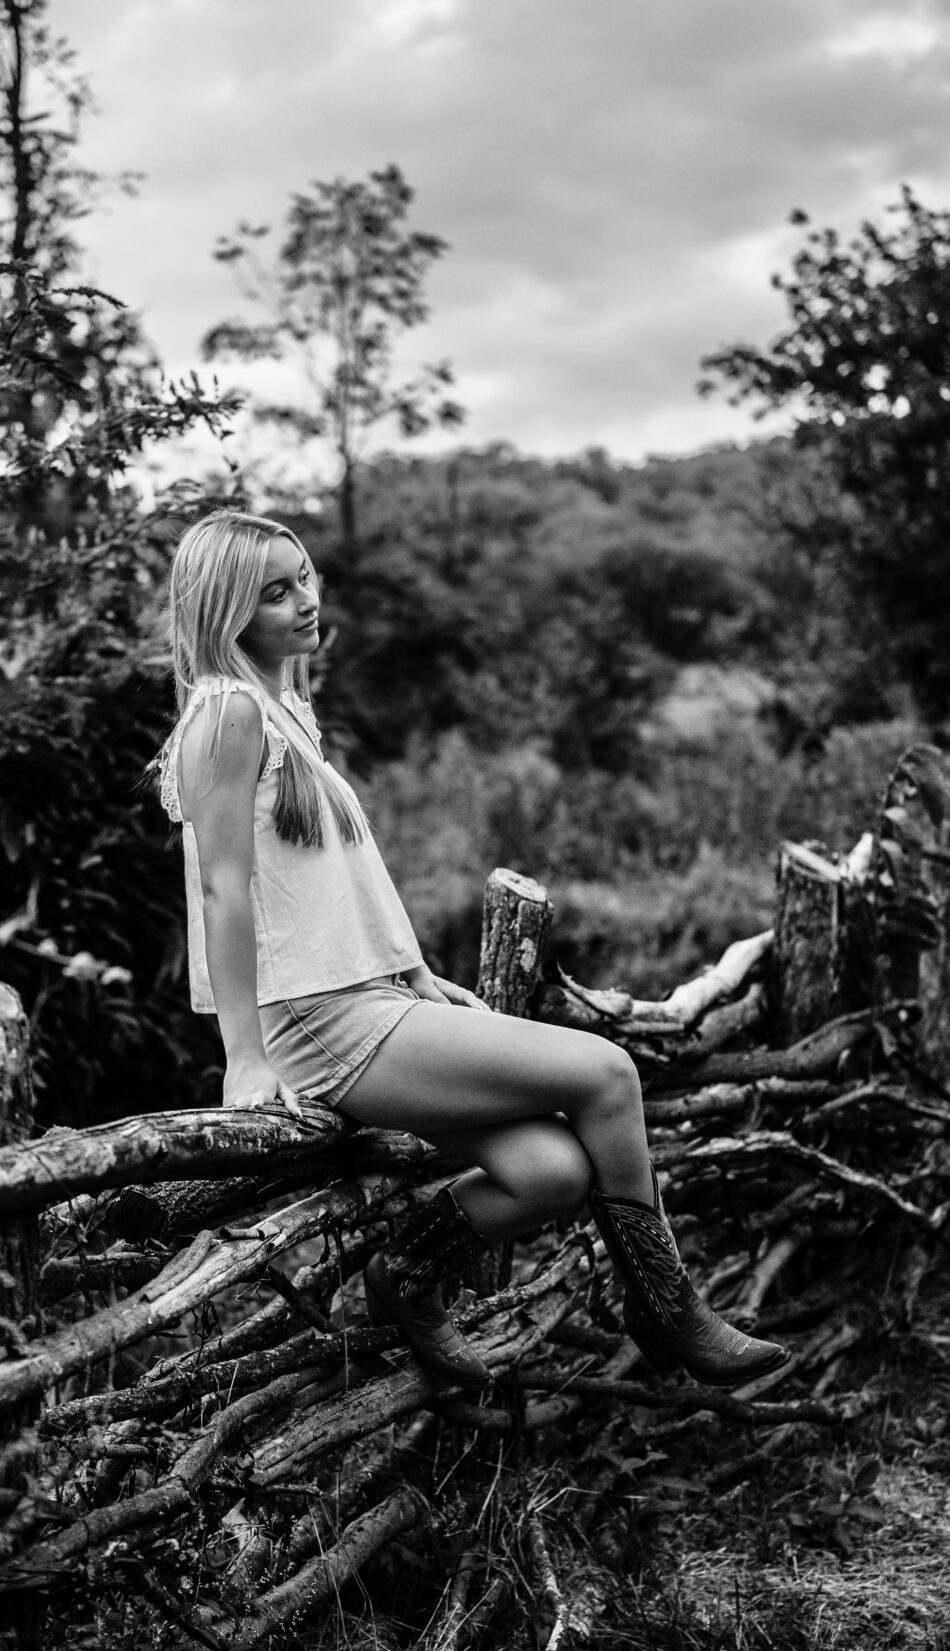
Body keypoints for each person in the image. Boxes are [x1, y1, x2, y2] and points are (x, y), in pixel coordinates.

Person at [154, 509, 788, 1390]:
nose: (305, 600)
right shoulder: (227, 713)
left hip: (366, 997)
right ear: (224, 610)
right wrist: (244, 1059)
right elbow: (224, 889)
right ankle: (667, 1305)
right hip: (315, 1018)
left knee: (551, 1172)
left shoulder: (283, 705)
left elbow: (338, 876)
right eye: (274, 591)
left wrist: (415, 975)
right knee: (608, 1074)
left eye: (304, 577)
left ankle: (405, 1276)